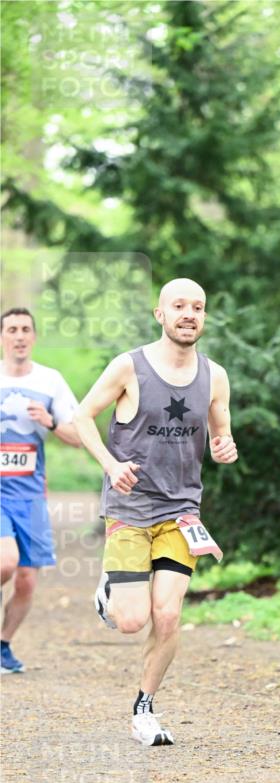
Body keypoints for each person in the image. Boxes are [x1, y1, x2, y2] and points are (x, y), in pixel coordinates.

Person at [74, 277, 237, 746]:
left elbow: (222, 433)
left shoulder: (215, 376)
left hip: (181, 510)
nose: (189, 314)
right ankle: (111, 592)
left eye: (198, 307)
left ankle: (144, 708)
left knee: (167, 615)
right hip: (129, 506)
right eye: (179, 306)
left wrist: (225, 447)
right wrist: (111, 465)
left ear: (204, 317)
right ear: (160, 314)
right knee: (131, 620)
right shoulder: (130, 366)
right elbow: (82, 417)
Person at [1, 307, 81, 673]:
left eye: (25, 329)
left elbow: (77, 436)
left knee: (27, 581)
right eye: (12, 329)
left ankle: (3, 645)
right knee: (5, 561)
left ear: (33, 337)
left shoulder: (51, 381)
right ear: (2, 337)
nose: (19, 336)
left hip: (31, 496)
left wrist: (50, 422)